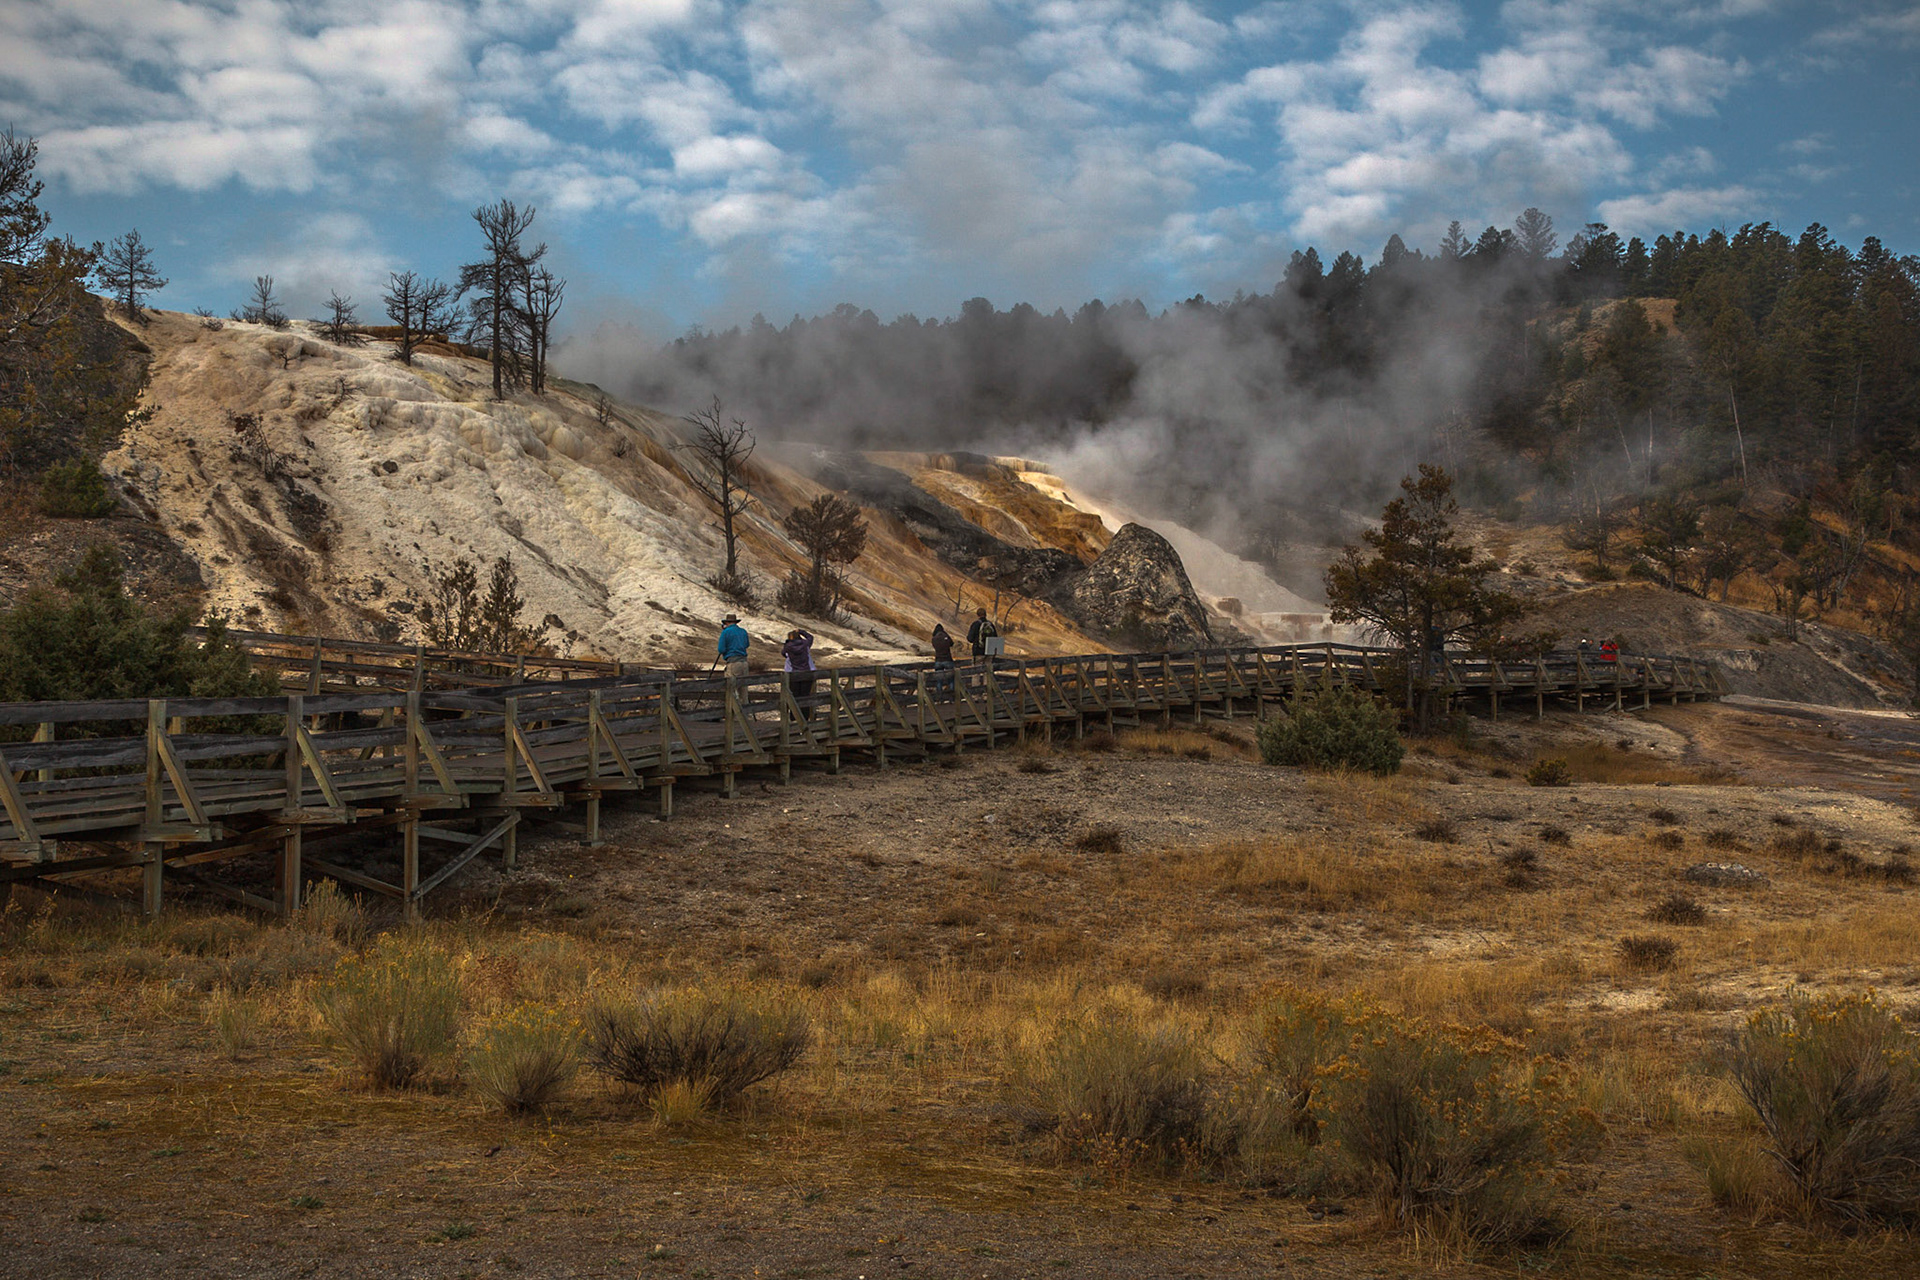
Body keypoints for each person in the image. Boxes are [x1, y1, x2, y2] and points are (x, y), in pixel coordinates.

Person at [783, 627, 816, 718]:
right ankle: (805, 717)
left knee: (794, 696)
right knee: (805, 696)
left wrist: (787, 642)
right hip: (806, 672)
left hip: (794, 674)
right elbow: (810, 637)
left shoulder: (788, 646)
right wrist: (801, 631)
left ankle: (794, 717)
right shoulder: (805, 644)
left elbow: (783, 653)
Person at [717, 613, 749, 680]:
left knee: (731, 686)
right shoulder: (743, 631)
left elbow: (721, 649)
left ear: (727, 623)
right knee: (743, 686)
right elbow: (746, 645)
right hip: (744, 662)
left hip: (733, 662)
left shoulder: (726, 632)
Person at [930, 622, 955, 696]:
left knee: (939, 679)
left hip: (938, 660)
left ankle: (939, 695)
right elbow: (951, 643)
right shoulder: (945, 636)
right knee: (951, 678)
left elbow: (934, 646)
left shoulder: (934, 639)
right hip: (947, 659)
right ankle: (952, 695)